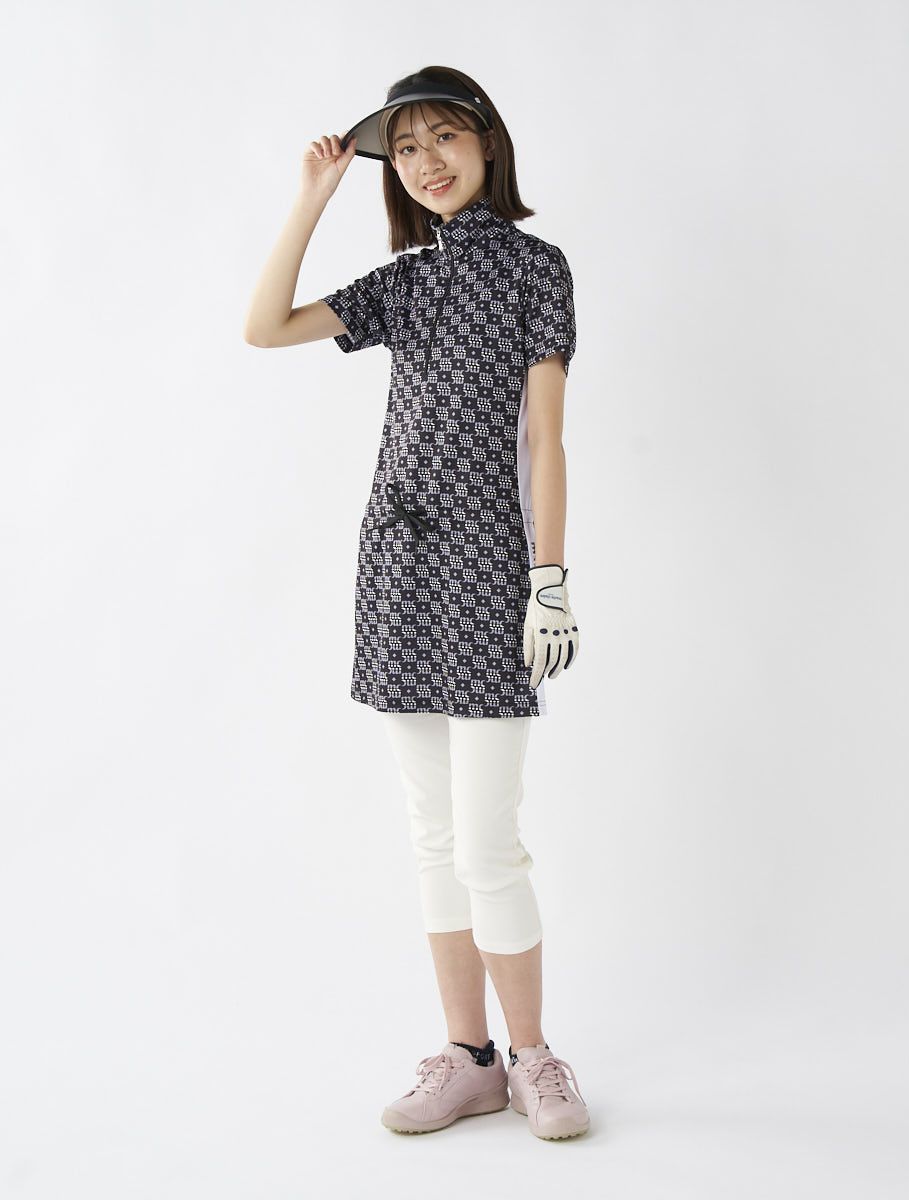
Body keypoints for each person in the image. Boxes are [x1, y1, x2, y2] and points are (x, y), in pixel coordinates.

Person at [243, 65, 588, 1140]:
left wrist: (549, 580)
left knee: (490, 841)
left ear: (486, 143)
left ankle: (533, 1055)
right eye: (405, 149)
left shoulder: (535, 269)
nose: (427, 162)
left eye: (444, 137)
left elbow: (544, 438)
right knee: (433, 836)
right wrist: (315, 195)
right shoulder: (404, 281)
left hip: (492, 569)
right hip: (396, 568)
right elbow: (264, 326)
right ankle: (468, 1057)